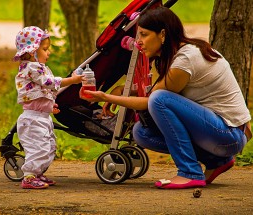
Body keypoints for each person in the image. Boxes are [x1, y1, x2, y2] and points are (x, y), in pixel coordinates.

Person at [80, 7, 252, 189]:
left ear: (162, 34)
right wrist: (123, 90)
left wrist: (105, 96)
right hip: (218, 133)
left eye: (144, 35)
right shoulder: (176, 56)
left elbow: (153, 99)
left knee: (159, 100)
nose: (139, 42)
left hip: (229, 134)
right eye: (138, 36)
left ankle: (190, 172)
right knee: (141, 133)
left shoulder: (186, 59)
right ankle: (216, 161)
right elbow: (155, 92)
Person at [13, 26, 83, 189]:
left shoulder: (37, 68)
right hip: (32, 119)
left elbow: (41, 92)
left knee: (49, 146)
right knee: (39, 148)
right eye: (45, 49)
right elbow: (49, 83)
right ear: (32, 52)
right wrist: (71, 81)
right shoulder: (31, 67)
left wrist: (50, 105)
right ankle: (29, 177)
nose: (48, 52)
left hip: (42, 117)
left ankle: (37, 173)